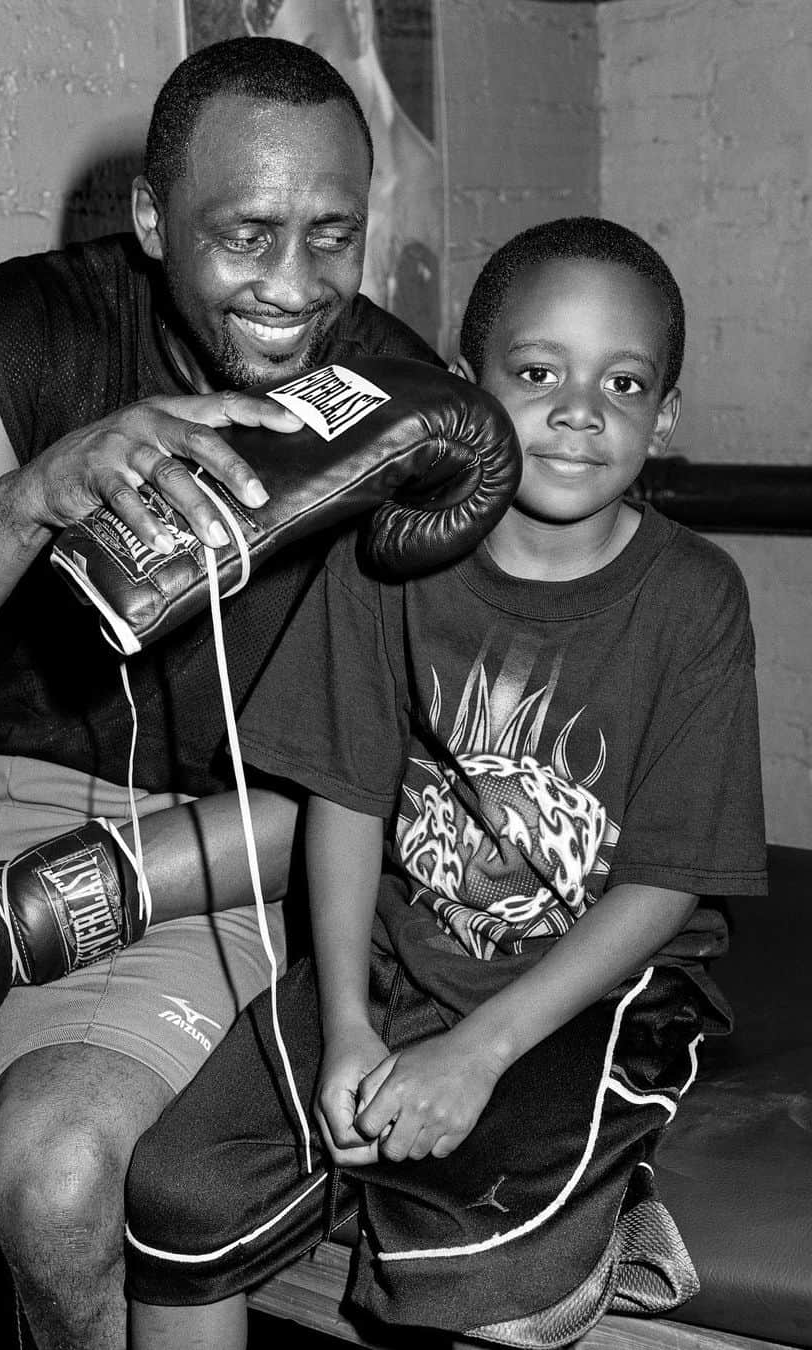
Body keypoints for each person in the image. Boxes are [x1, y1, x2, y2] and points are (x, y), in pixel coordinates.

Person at [0, 36, 446, 1350]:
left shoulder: (402, 413)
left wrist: (70, 904)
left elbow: (389, 802)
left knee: (60, 1182)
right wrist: (26, 499)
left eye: (332, 233)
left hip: (213, 848)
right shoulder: (27, 327)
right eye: (248, 234)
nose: (294, 287)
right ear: (151, 216)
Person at [124, 216, 770, 1347]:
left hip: (601, 982)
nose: (582, 409)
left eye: (625, 382)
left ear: (665, 416)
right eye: (536, 372)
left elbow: (667, 881)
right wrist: (347, 1024)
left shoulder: (694, 597)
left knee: (471, 1262)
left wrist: (477, 1053)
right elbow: (348, 798)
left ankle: (599, 1193)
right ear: (466, 388)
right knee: (177, 1197)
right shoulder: (383, 551)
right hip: (393, 948)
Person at [242, 0, 443, 349]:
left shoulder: (441, 196)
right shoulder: (285, 212)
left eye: (315, 58)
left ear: (357, 20)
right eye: (283, 77)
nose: (298, 100)